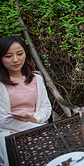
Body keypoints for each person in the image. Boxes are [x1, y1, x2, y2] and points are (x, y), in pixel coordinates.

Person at [0, 36, 52, 165]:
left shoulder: (36, 78)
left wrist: (35, 119)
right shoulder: (1, 85)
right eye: (8, 56)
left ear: (25, 54)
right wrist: (34, 127)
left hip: (37, 126)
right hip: (11, 135)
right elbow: (2, 120)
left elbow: (46, 107)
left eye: (19, 54)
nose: (15, 60)